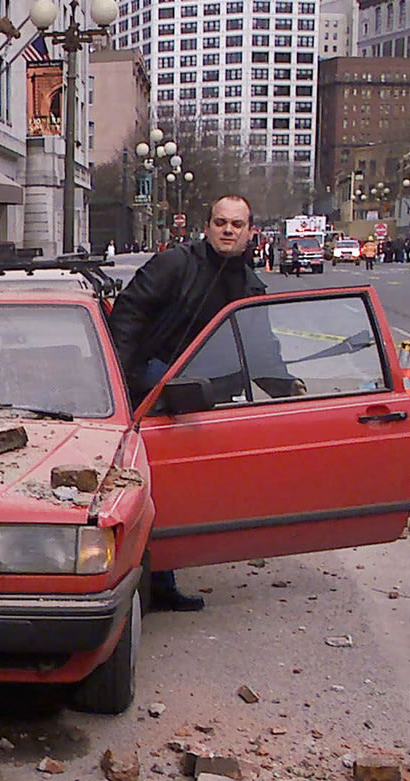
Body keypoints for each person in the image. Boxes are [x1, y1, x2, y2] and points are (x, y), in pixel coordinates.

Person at [107, 193, 280, 612]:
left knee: (189, 488)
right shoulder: (175, 265)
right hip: (152, 383)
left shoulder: (251, 285)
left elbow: (261, 346)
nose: (227, 230)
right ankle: (152, 582)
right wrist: (120, 381)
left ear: (250, 233)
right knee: (151, 485)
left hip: (209, 396)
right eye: (220, 222)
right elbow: (128, 315)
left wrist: (287, 388)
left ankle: (167, 570)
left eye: (236, 225)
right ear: (207, 227)